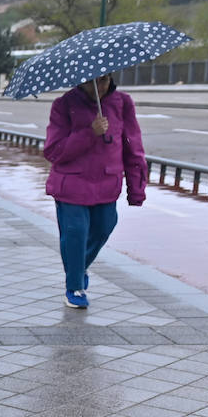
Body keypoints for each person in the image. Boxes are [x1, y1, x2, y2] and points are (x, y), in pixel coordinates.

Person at [42, 73, 146, 310]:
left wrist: (136, 189)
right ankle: (75, 286)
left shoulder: (123, 103)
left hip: (107, 184)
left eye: (103, 80)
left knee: (104, 227)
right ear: (79, 80)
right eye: (91, 81)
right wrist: (89, 133)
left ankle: (78, 267)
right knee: (75, 232)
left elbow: (134, 148)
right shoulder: (63, 106)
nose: (98, 87)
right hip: (72, 185)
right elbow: (54, 152)